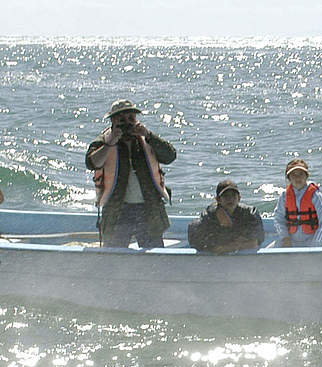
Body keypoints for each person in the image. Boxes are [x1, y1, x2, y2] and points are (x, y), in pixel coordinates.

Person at [85, 99, 176, 248]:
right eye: (121, 119)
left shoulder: (146, 139)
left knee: (153, 256)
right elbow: (91, 163)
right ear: (113, 121)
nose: (127, 123)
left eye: (131, 118)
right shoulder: (104, 141)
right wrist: (110, 142)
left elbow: (170, 156)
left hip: (148, 209)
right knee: (115, 256)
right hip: (118, 211)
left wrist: (148, 135)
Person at [187, 180, 265, 253]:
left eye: (234, 196)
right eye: (226, 196)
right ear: (218, 199)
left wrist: (226, 246)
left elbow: (255, 242)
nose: (230, 199)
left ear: (239, 198)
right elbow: (199, 243)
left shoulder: (250, 213)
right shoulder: (209, 215)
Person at [272, 158, 322, 247]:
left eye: (301, 174)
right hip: (291, 240)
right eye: (294, 175)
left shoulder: (316, 195)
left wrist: (316, 242)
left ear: (306, 176)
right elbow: (278, 220)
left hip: (314, 239)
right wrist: (285, 237)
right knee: (268, 253)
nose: (297, 178)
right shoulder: (284, 196)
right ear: (289, 178)